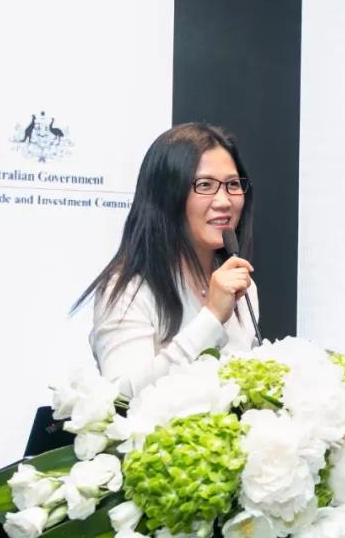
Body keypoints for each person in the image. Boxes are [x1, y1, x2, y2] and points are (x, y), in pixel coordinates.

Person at [75, 123, 259, 397]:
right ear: (167, 195)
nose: (223, 201)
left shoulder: (242, 286)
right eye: (205, 185)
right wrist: (211, 317)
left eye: (232, 184)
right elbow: (122, 398)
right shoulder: (128, 290)